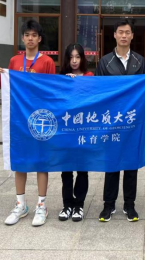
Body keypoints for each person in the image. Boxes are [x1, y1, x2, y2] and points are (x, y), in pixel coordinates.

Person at [0, 20, 56, 227]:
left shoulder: (47, 62)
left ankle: (41, 205)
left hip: (40, 118)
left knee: (41, 161)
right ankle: (20, 204)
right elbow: (7, 86)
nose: (30, 38)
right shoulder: (14, 61)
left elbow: (53, 89)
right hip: (19, 119)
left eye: (34, 35)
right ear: (22, 38)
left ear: (39, 39)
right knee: (20, 161)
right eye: (27, 35)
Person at [95, 19, 145, 222]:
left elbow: (144, 91)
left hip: (133, 121)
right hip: (111, 120)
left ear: (132, 35)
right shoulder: (105, 61)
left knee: (131, 162)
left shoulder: (140, 61)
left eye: (127, 32)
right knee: (111, 163)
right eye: (120, 32)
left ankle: (129, 204)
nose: (124, 35)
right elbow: (97, 90)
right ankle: (108, 205)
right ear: (115, 35)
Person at [58, 44, 94, 222]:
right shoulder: (60, 78)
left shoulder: (89, 76)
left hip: (83, 130)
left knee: (82, 169)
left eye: (77, 57)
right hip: (65, 130)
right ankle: (67, 205)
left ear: (82, 59)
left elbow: (92, 98)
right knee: (66, 170)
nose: (74, 61)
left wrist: (78, 84)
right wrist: (66, 82)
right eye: (71, 57)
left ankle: (79, 205)